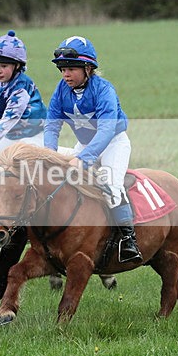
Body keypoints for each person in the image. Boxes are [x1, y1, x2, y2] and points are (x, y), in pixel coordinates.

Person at [44, 36, 143, 264]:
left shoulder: (104, 90)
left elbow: (107, 130)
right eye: (62, 69)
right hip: (86, 145)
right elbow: (51, 125)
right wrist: (50, 154)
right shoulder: (61, 90)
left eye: (70, 69)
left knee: (110, 184)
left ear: (88, 68)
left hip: (113, 144)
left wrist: (84, 159)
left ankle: (129, 240)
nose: (65, 75)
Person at [0, 30, 47, 154]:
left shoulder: (21, 87)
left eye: (4, 66)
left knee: (26, 157)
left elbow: (10, 118)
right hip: (10, 135)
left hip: (34, 134)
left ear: (17, 66)